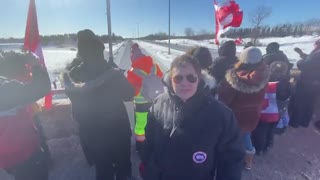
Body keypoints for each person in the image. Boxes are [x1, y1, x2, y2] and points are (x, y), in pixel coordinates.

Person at [141, 54, 244, 180]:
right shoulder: (158, 104)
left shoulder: (221, 114)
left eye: (191, 78)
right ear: (170, 79)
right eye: (178, 78)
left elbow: (231, 159)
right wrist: (149, 171)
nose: (185, 83)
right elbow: (149, 143)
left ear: (199, 79)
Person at [62, 29, 135, 180]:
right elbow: (129, 95)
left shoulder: (73, 74)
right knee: (123, 166)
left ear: (80, 52)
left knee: (103, 168)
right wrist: (115, 71)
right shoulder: (112, 72)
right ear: (100, 49)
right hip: (117, 129)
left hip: (91, 132)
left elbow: (71, 95)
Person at [0, 51, 51, 180]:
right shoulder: (6, 88)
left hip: (6, 155)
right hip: (23, 151)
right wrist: (36, 65)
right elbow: (42, 88)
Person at [218, 47, 270, 170]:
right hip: (253, 115)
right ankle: (248, 161)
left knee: (230, 138)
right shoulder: (263, 74)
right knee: (246, 136)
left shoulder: (233, 77)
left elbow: (224, 100)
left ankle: (230, 159)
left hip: (235, 117)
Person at [127, 43, 163, 157]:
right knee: (155, 123)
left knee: (140, 128)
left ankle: (141, 148)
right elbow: (161, 76)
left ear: (132, 57)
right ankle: (155, 145)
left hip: (141, 104)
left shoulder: (132, 71)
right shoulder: (154, 66)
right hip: (156, 100)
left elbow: (128, 89)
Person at [251, 61, 291, 155]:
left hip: (265, 113)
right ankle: (268, 145)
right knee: (270, 131)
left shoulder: (268, 84)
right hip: (278, 113)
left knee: (260, 132)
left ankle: (258, 149)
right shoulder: (288, 84)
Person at [289, 50, 320, 128]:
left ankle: (295, 122)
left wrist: (300, 61)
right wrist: (302, 54)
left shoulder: (318, 54)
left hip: (306, 82)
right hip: (316, 83)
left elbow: (306, 65)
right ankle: (305, 122)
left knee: (299, 102)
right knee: (310, 103)